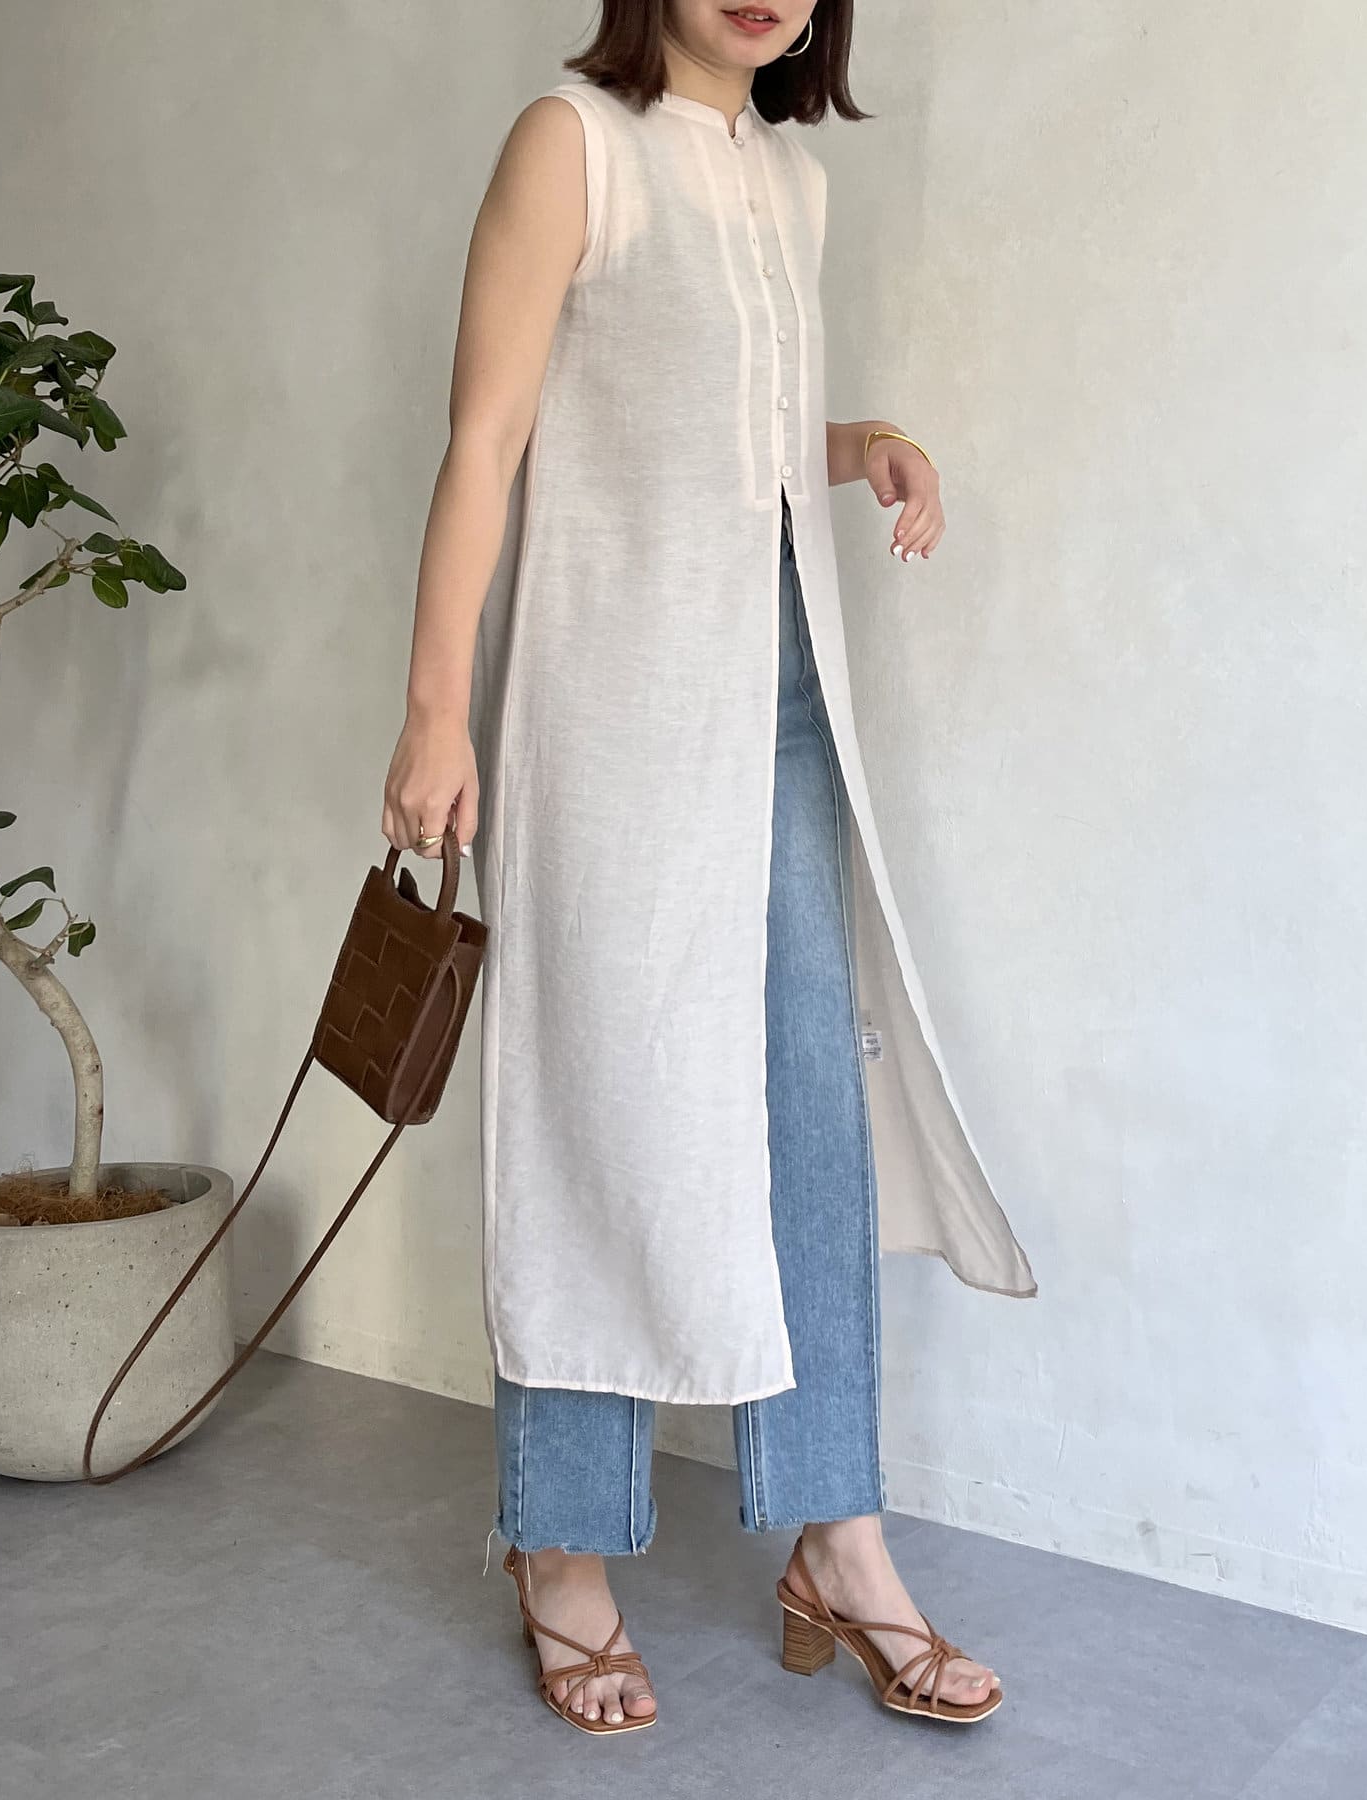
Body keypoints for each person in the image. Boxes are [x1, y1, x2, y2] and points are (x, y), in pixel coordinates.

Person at [382, 0, 1036, 1738]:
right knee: (597, 1102)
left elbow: (722, 427)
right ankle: (562, 1547)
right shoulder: (571, 147)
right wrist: (436, 707)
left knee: (809, 1105)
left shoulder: (790, 181)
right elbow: (488, 439)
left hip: (785, 702)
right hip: (607, 710)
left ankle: (840, 1540)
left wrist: (859, 438)